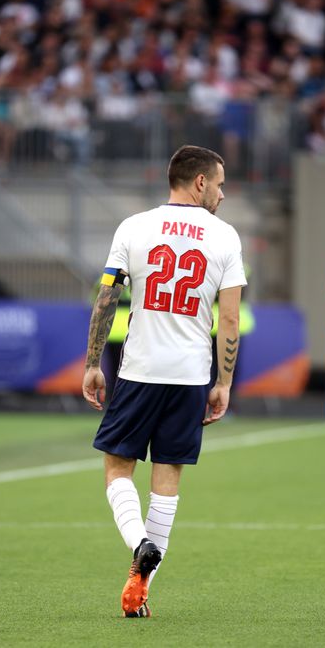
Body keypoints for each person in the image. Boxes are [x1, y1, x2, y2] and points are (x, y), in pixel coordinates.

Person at [82, 144, 247, 618]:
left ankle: (139, 544)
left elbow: (107, 299)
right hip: (191, 375)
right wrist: (224, 383)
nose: (221, 192)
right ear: (199, 183)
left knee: (117, 470)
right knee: (166, 481)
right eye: (218, 184)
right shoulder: (225, 237)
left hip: (138, 370)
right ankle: (140, 589)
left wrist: (93, 362)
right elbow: (229, 320)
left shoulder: (133, 227)